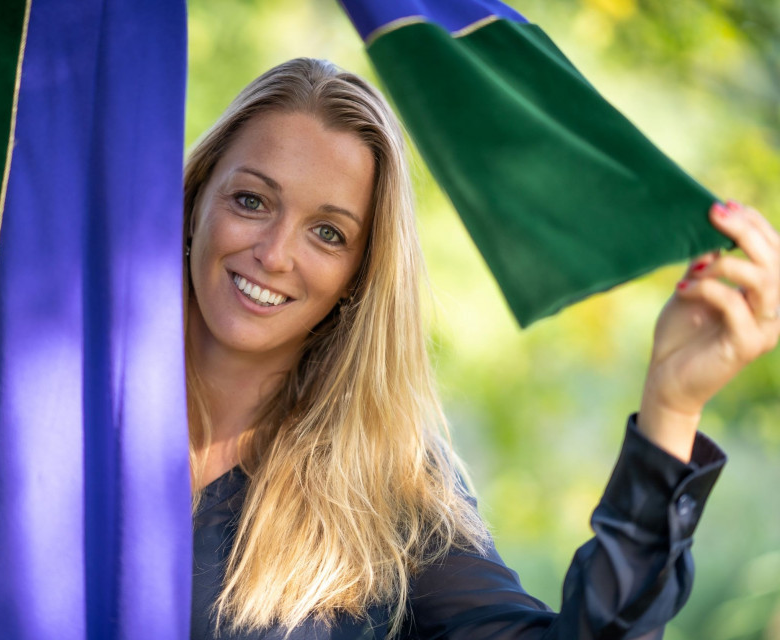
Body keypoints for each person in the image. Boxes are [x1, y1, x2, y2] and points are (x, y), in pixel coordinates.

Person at [184, 58, 780, 639]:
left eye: (328, 233)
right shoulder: (91, 398)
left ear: (358, 279)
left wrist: (670, 411)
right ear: (194, 202)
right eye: (251, 201)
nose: (276, 253)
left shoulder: (386, 483)